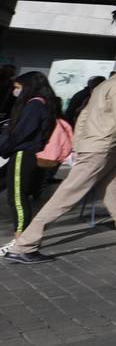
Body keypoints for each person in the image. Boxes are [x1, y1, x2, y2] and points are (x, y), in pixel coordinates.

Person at [5, 49, 116, 263]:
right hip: (103, 148)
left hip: (105, 147)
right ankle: (24, 245)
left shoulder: (105, 85)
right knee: (67, 196)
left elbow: (84, 116)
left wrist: (79, 145)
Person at [0, 72, 61, 250]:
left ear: (28, 87)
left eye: (18, 87)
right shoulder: (45, 103)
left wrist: (4, 148)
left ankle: (22, 241)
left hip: (23, 154)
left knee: (17, 198)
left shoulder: (34, 105)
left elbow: (21, 133)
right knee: (20, 196)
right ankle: (23, 238)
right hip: (30, 154)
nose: (15, 91)